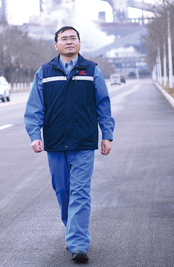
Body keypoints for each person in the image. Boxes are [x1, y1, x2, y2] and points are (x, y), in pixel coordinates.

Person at [24, 26, 115, 264]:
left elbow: (103, 104)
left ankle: (78, 244)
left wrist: (107, 134)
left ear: (79, 43)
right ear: (56, 45)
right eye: (63, 38)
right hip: (55, 143)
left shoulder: (92, 70)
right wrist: (35, 135)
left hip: (83, 142)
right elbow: (34, 107)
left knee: (80, 193)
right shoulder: (44, 72)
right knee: (63, 191)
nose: (69, 41)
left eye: (73, 38)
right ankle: (72, 229)